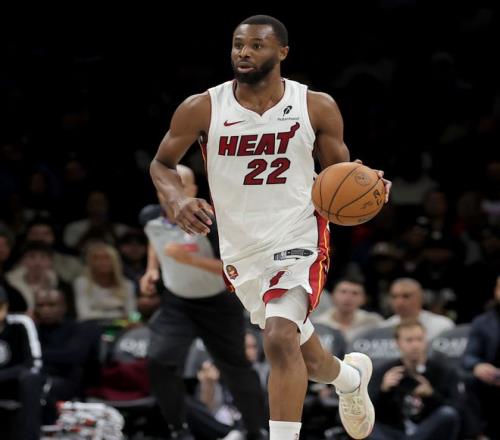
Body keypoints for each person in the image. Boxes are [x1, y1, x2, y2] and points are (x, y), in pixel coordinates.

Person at [149, 15, 391, 440]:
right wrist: (177, 200)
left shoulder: (315, 105)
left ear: (282, 52)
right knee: (307, 359)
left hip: (298, 234)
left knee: (279, 339)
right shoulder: (203, 107)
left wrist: (367, 185)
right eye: (238, 44)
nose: (244, 52)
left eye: (256, 45)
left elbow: (339, 176)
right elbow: (162, 164)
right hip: (242, 248)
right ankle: (350, 379)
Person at [141, 165, 266, 439]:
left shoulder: (212, 222)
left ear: (194, 190)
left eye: (181, 184)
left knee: (235, 368)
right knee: (159, 362)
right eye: (168, 185)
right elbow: (156, 238)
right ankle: (179, 430)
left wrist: (190, 260)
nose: (174, 191)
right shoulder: (149, 216)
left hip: (218, 304)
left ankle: (256, 431)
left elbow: (235, 269)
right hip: (177, 303)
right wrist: (152, 269)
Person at [369, 320, 460, 440]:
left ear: (426, 341)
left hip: (428, 431)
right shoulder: (385, 371)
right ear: (397, 343)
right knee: (368, 426)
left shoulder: (443, 371)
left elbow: (456, 408)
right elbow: (369, 410)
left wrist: (431, 394)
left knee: (447, 414)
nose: (415, 345)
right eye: (409, 340)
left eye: (419, 339)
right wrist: (384, 390)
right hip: (394, 432)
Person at [462, 274, 500, 438]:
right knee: (468, 380)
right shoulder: (482, 322)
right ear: (496, 291)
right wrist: (477, 365)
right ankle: (478, 434)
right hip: (492, 378)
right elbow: (469, 355)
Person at [313, 278, 383, 342]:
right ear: (332, 296)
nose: (348, 298)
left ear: (364, 299)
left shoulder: (373, 322)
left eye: (355, 293)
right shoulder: (318, 324)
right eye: (343, 292)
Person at [382, 278, 454, 340]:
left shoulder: (442, 326)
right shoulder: (384, 328)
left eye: (406, 296)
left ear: (421, 298)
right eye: (394, 297)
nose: (399, 302)